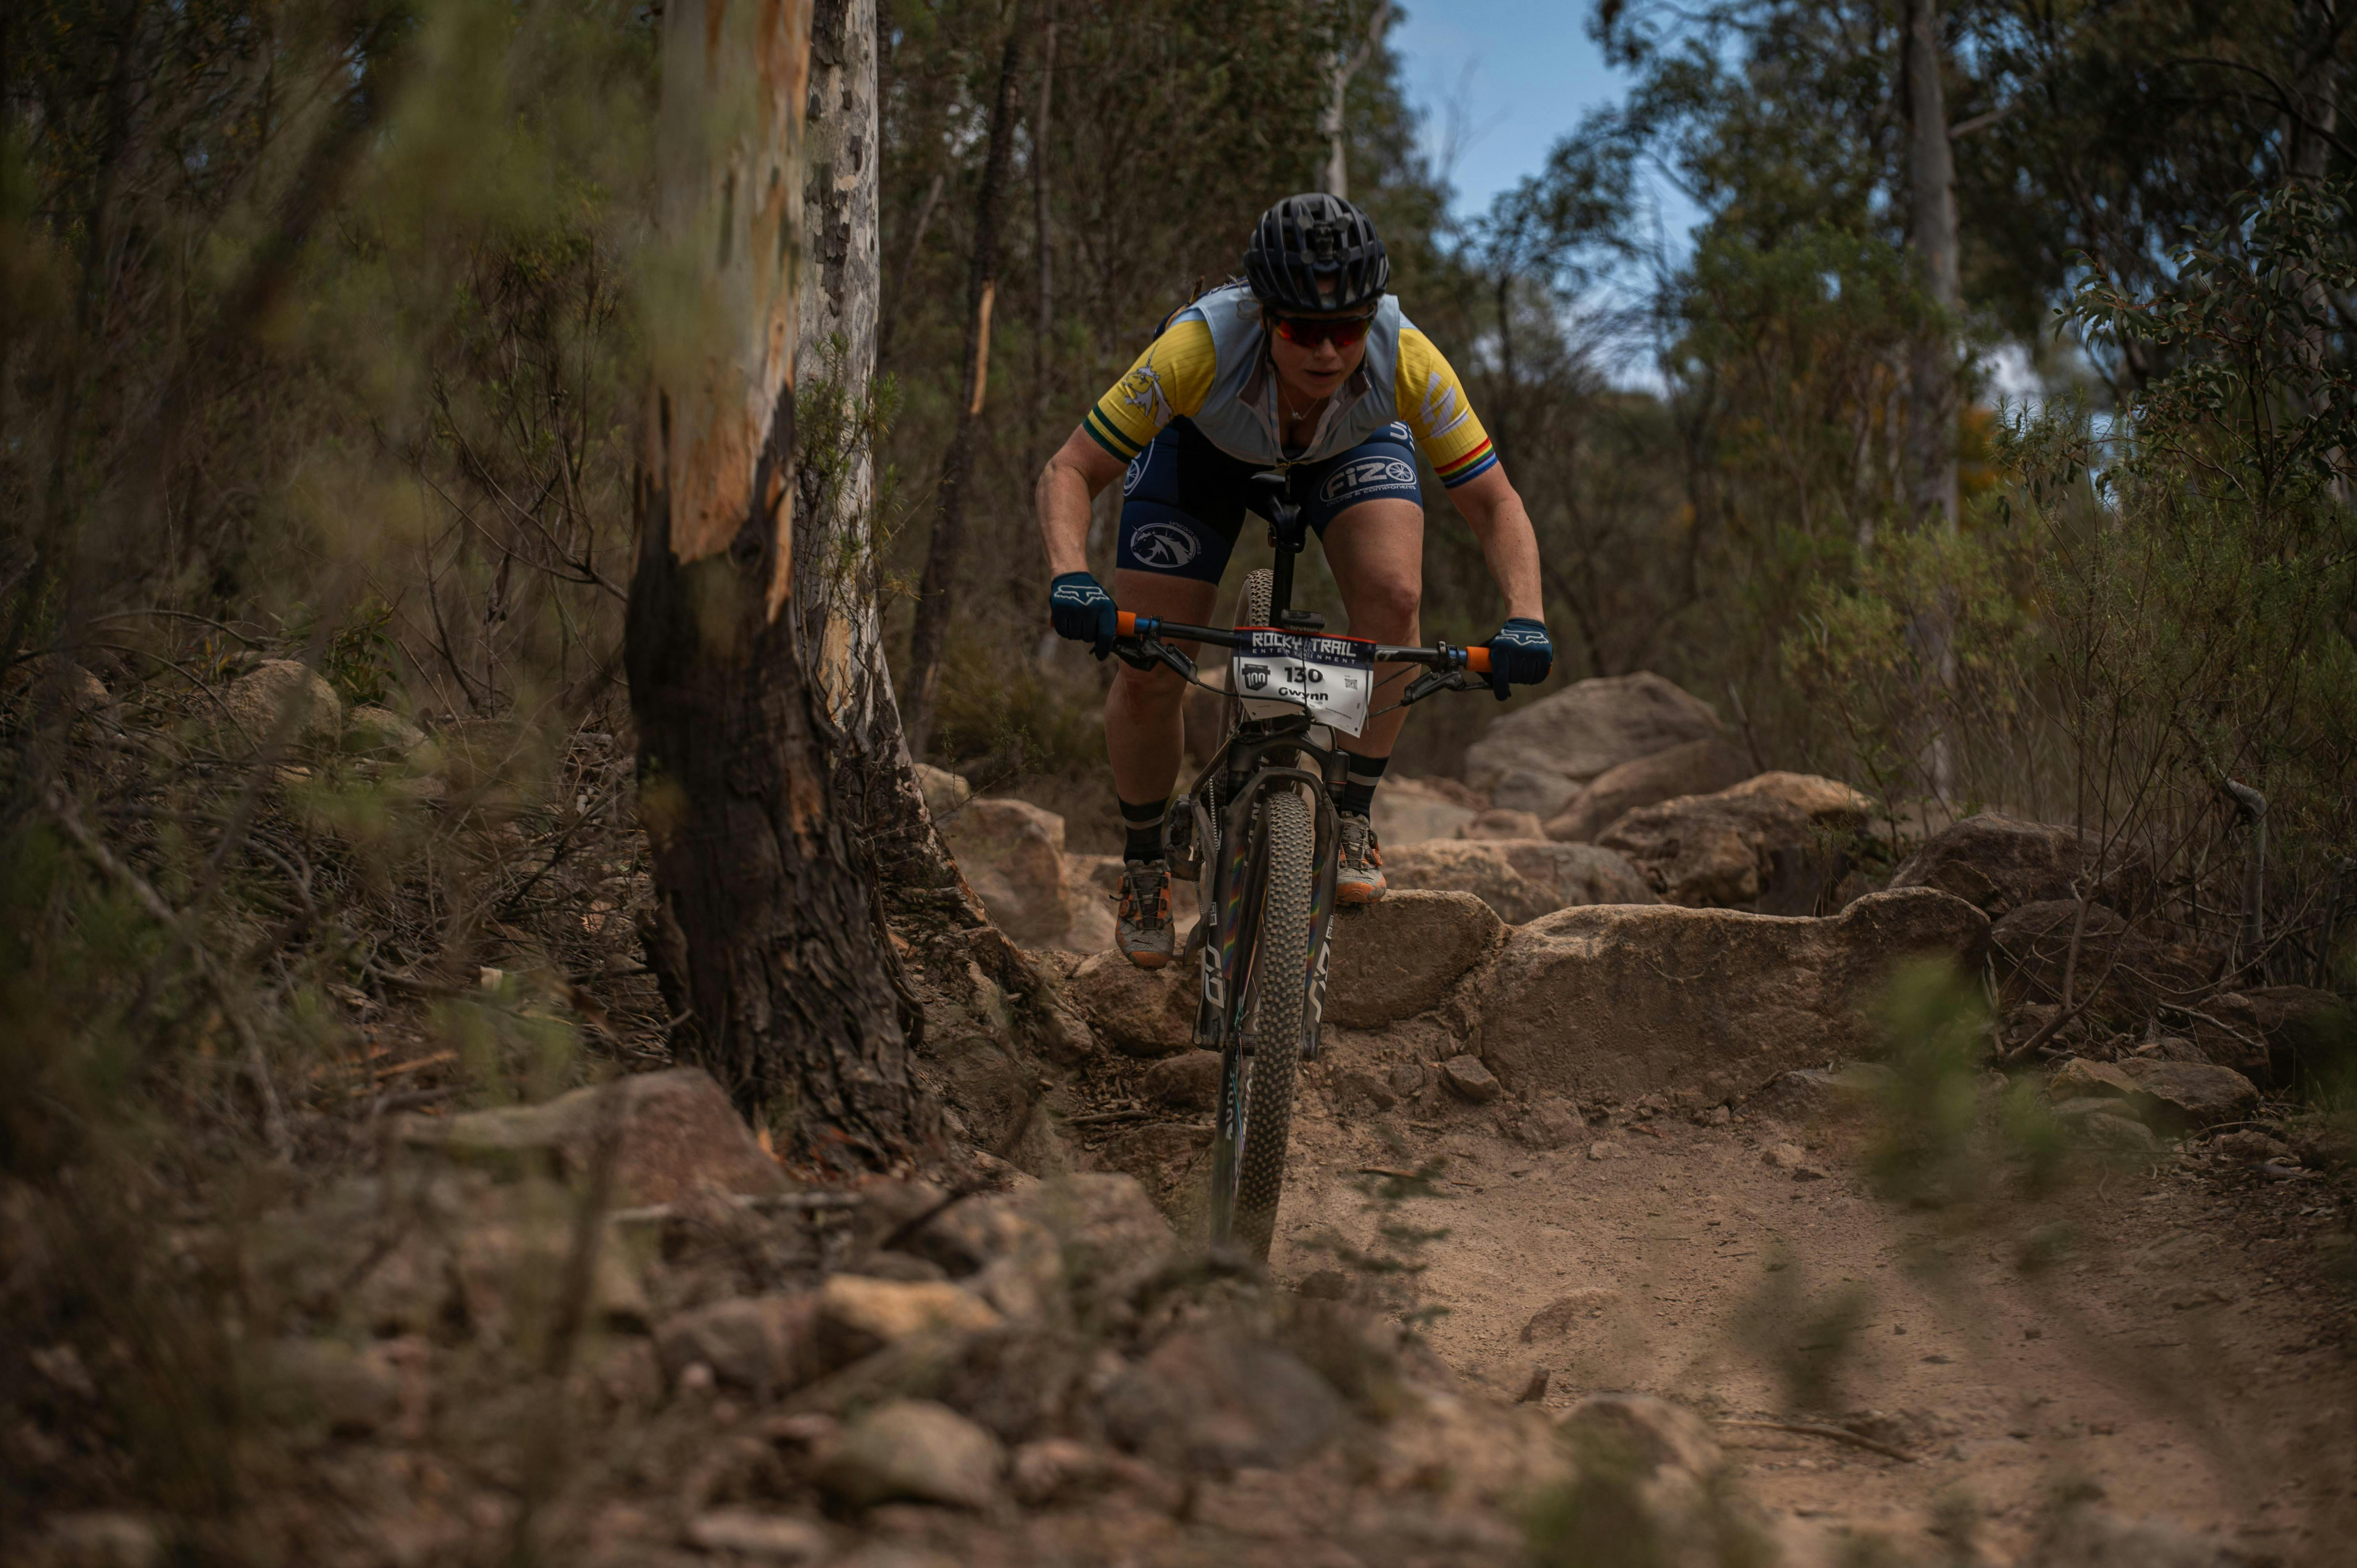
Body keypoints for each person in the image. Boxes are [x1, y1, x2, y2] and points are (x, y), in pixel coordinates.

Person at [1034, 192, 1552, 969]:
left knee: (1395, 600)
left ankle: (1351, 810)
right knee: (1150, 658)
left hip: (1351, 446)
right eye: (1303, 330)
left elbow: (1493, 501)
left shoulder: (1406, 358)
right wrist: (1070, 576)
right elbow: (1071, 468)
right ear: (1264, 314)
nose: (1327, 351)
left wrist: (1526, 615)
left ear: (1372, 315)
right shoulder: (1196, 350)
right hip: (1202, 448)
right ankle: (1145, 859)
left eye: (1348, 328)